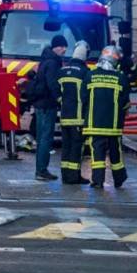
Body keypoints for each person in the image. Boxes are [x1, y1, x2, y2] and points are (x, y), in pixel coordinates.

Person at [83, 46, 130, 188]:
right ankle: (119, 178)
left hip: (94, 123)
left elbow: (83, 98)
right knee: (116, 152)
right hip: (113, 124)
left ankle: (98, 181)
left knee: (97, 153)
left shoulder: (90, 75)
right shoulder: (120, 77)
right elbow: (125, 102)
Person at [29, 34, 65, 181]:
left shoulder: (45, 60)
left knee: (41, 138)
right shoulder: (52, 62)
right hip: (47, 105)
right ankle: (42, 170)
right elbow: (52, 83)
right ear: (58, 47)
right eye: (63, 47)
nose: (64, 50)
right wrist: (59, 98)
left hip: (41, 104)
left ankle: (40, 169)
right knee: (46, 138)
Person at [58, 40, 91, 184]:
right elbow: (87, 95)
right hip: (78, 117)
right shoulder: (85, 72)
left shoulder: (63, 70)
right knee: (77, 147)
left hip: (64, 116)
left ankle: (65, 175)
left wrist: (62, 102)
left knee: (66, 146)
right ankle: (73, 176)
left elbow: (57, 91)